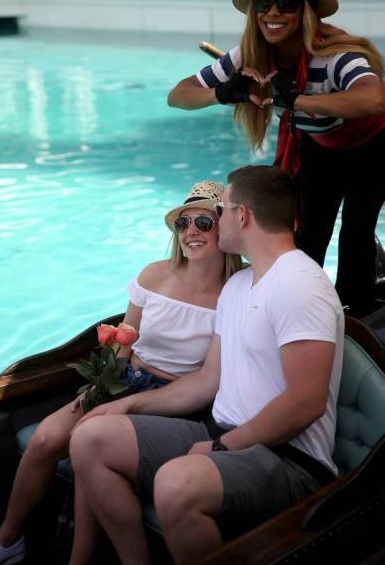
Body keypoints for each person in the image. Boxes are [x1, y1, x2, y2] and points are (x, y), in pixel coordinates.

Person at [68, 164, 344, 565]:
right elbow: (207, 380)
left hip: (289, 459)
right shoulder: (238, 285)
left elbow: (306, 402)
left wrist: (221, 446)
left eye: (223, 209)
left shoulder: (300, 285)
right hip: (221, 431)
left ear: (242, 215)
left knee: (175, 484)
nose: (218, 219)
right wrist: (127, 404)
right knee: (90, 438)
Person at [0, 181, 241, 565]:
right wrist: (99, 385)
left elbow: (210, 379)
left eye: (204, 223)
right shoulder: (154, 275)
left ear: (224, 228)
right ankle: (7, 541)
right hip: (125, 381)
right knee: (44, 440)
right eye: (184, 224)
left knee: (85, 445)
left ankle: (79, 558)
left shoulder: (236, 293)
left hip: (174, 400)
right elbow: (123, 343)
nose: (191, 232)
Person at [168, 0, 385, 318]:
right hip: (320, 146)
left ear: (307, 10)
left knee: (356, 231)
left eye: (286, 3)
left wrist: (298, 99)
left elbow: (374, 98)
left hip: (373, 146)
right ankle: (297, 306)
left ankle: (357, 313)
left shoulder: (336, 55)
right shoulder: (248, 56)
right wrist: (221, 93)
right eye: (263, 2)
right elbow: (178, 95)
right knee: (309, 232)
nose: (273, 12)